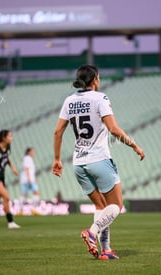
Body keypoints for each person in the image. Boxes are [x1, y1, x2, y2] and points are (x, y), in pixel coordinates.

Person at [51, 64, 145, 260]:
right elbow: (114, 130)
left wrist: (57, 159)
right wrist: (134, 145)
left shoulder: (69, 101)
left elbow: (58, 131)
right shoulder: (100, 98)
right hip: (99, 160)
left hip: (78, 163)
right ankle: (91, 233)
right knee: (116, 206)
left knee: (101, 207)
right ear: (94, 80)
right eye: (99, 77)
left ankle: (106, 250)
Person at [18, 147, 40, 216]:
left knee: (24, 194)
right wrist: (29, 178)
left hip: (27, 179)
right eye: (32, 151)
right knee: (36, 192)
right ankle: (34, 209)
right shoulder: (27, 158)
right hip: (28, 179)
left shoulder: (27, 158)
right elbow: (27, 168)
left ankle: (20, 210)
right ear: (29, 152)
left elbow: (30, 170)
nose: (33, 153)